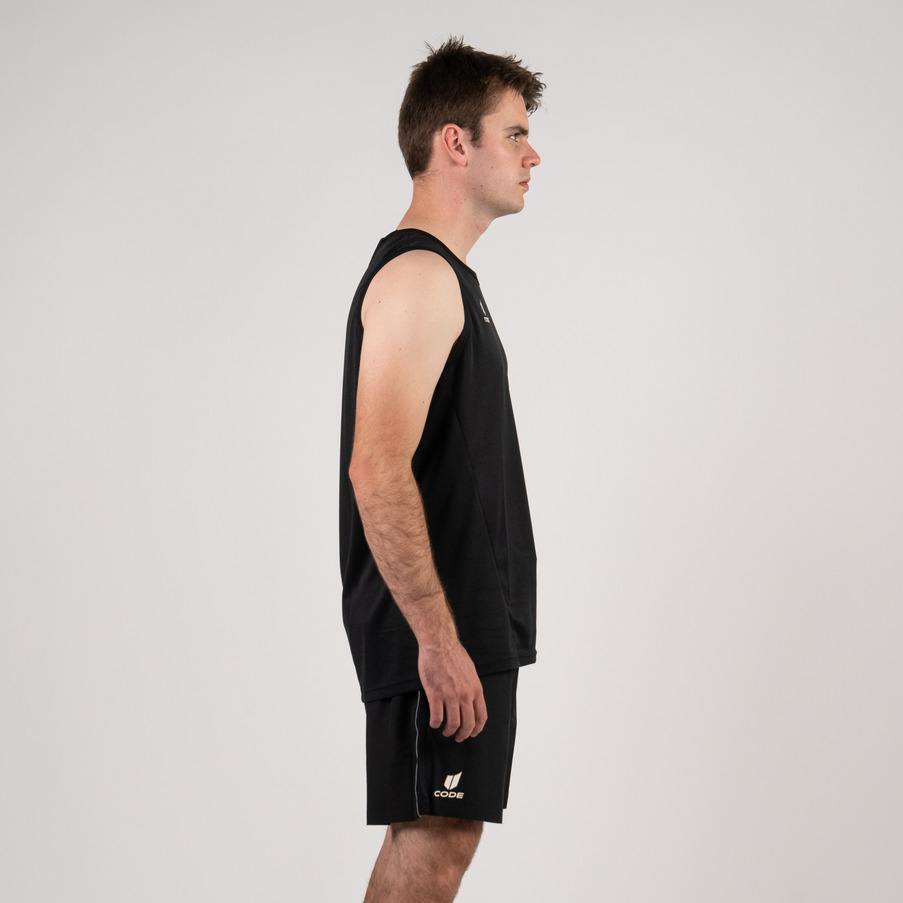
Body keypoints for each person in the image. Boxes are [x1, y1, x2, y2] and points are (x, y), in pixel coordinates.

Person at [339, 37, 545, 902]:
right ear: (454, 142)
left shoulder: (448, 277)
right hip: (437, 626)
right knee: (432, 842)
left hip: (462, 620)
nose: (532, 155)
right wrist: (435, 637)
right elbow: (376, 466)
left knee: (440, 841)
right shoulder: (421, 274)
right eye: (514, 133)